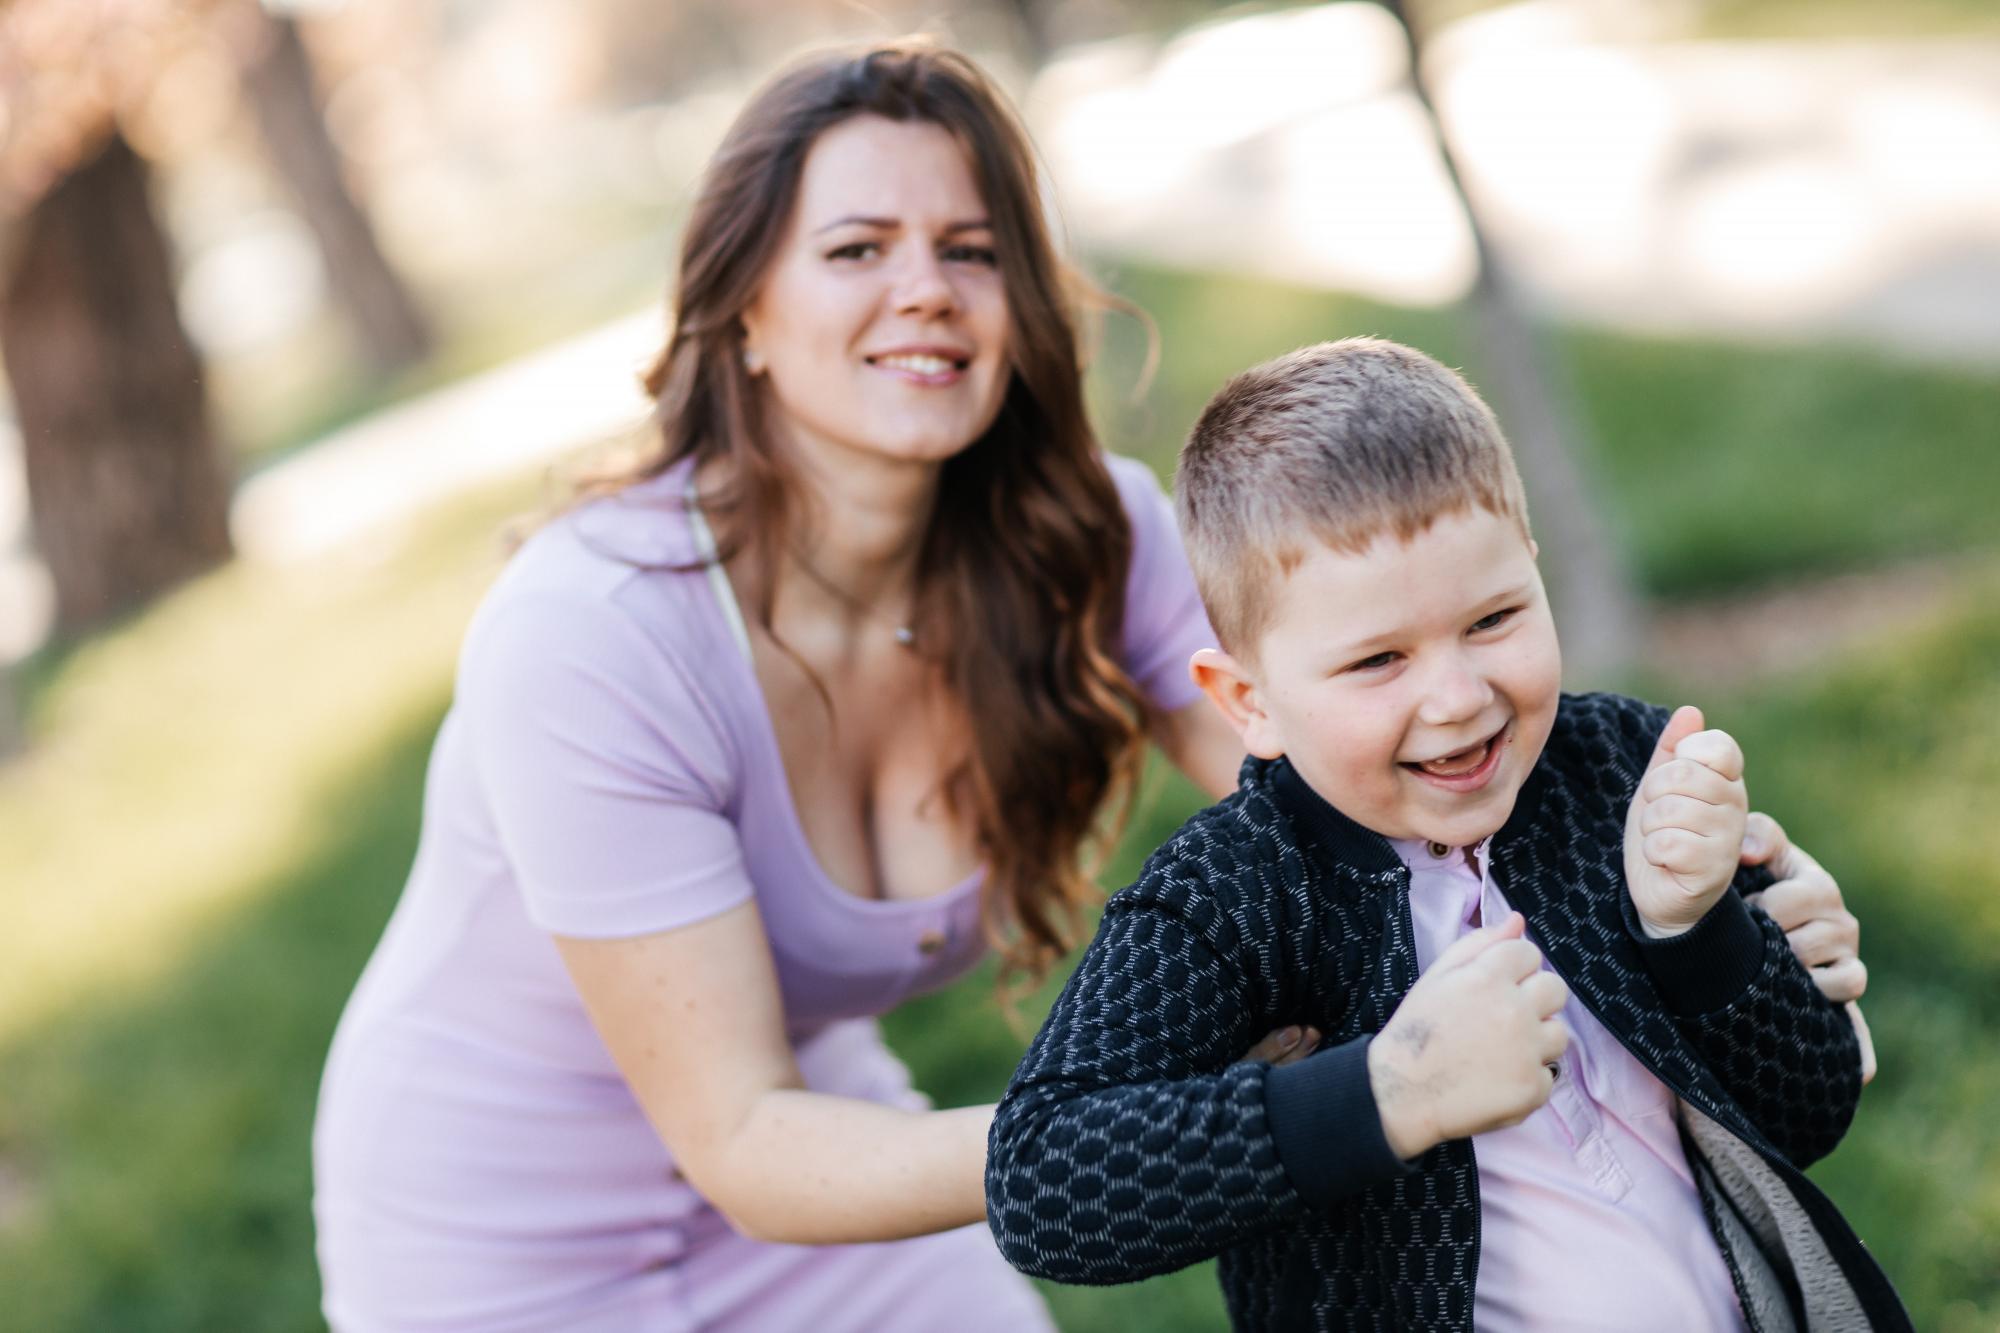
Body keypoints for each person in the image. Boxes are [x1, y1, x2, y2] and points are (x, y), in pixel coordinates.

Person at [312, 40, 1873, 1333]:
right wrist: (1210, 1123)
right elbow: (741, 1144)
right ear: (742, 313)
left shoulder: (1094, 536)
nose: (925, 288)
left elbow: (1360, 810)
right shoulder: (590, 631)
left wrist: (1696, 930)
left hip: (843, 1148)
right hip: (508, 1228)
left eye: (971, 250)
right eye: (857, 249)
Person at [984, 338, 1908, 1331]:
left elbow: (1805, 1108)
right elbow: (1040, 1185)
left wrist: (1696, 933)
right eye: (1378, 659)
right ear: (1246, 700)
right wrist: (1391, 1089)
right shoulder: (1234, 896)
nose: (1458, 697)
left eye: (1492, 617)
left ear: (1533, 572)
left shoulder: (1619, 775)